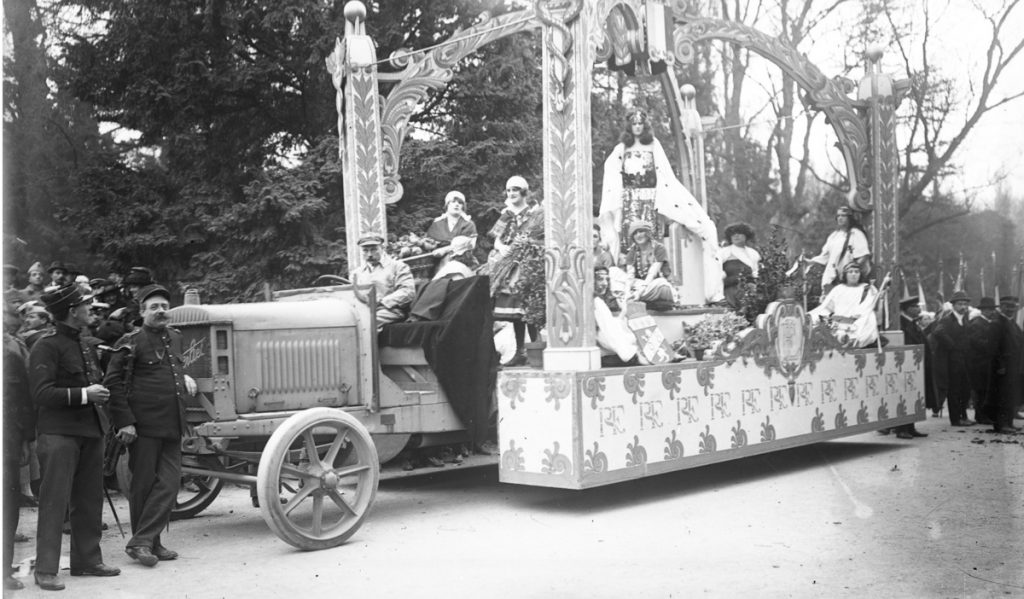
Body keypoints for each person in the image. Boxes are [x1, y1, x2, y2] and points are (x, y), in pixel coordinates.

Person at [29, 284, 120, 591]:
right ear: (71, 311)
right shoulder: (47, 346)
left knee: (88, 499)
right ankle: (45, 570)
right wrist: (85, 394)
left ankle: (87, 561)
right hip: (59, 435)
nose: (90, 310)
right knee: (55, 502)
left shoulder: (82, 343)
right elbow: (41, 393)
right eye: (85, 305)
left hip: (90, 431)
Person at [104, 284, 196, 568]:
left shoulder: (176, 338)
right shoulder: (131, 341)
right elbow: (112, 383)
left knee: (169, 484)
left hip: (172, 423)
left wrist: (185, 378)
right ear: (142, 312)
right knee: (142, 486)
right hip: (142, 427)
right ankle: (149, 542)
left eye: (164, 306)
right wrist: (125, 422)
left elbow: (172, 371)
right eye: (154, 307)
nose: (161, 311)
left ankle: (142, 541)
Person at [598, 109, 723, 303]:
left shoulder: (653, 145)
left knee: (650, 237)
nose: (637, 127)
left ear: (645, 125)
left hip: (650, 198)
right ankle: (631, 284)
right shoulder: (622, 148)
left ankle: (653, 280)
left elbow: (664, 174)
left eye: (640, 123)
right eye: (634, 124)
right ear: (629, 126)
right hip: (630, 199)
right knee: (630, 239)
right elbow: (612, 171)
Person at [487, 176, 544, 366]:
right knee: (514, 312)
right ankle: (519, 350)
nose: (511, 193)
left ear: (524, 193)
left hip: (528, 262)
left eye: (515, 190)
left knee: (529, 307)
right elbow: (497, 237)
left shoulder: (533, 214)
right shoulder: (507, 214)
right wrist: (501, 246)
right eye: (509, 190)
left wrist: (527, 245)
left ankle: (536, 349)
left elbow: (539, 236)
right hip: (509, 265)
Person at [4, 331, 35, 590]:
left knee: (7, 504)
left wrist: (25, 439)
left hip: (8, 439)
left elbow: (23, 400)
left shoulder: (10, 356)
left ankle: (4, 571)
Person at [809, 262, 889, 348]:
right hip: (839, 321)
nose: (853, 274)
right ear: (845, 274)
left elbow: (869, 307)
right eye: (850, 272)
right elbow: (827, 308)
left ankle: (850, 340)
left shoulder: (867, 288)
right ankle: (841, 338)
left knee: (868, 319)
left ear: (860, 274)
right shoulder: (838, 289)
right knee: (816, 320)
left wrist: (880, 298)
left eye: (856, 272)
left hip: (859, 320)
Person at [350, 235, 416, 329]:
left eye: (373, 249)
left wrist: (381, 302)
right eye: (365, 250)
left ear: (382, 248)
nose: (369, 254)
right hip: (363, 310)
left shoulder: (398, 267)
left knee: (366, 322)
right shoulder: (356, 273)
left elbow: (408, 292)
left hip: (389, 310)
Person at [931, 290, 975, 427]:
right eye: (960, 304)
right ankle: (956, 419)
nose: (963, 307)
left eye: (965, 304)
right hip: (952, 362)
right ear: (953, 305)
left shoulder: (965, 319)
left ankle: (964, 416)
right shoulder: (947, 319)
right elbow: (937, 332)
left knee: (965, 390)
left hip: (964, 361)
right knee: (954, 390)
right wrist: (953, 346)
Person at [809, 206, 871, 292]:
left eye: (843, 216)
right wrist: (809, 261)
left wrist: (850, 271)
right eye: (838, 216)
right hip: (831, 278)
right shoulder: (834, 236)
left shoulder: (856, 234)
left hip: (849, 282)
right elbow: (824, 256)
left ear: (850, 218)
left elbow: (863, 256)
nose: (840, 218)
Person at [892, 295, 929, 439]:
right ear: (907, 309)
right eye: (915, 307)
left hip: (915, 365)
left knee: (913, 396)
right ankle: (901, 429)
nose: (919, 309)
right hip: (905, 364)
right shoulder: (902, 323)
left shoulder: (912, 323)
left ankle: (911, 427)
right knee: (903, 396)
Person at [624, 221, 675, 309]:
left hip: (654, 285)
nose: (638, 235)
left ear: (648, 233)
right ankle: (632, 296)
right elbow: (630, 275)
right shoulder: (632, 251)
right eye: (635, 233)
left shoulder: (659, 248)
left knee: (663, 285)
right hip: (639, 285)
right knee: (614, 273)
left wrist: (640, 291)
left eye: (641, 231)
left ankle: (636, 296)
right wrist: (627, 291)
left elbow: (652, 273)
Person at [968, 297, 1002, 426]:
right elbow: (977, 343)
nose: (991, 312)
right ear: (982, 310)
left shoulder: (992, 323)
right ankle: (980, 416)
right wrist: (993, 346)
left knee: (988, 390)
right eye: (988, 310)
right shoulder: (977, 324)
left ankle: (987, 415)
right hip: (980, 362)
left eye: (992, 309)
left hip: (989, 362)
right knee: (981, 390)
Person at [992, 296, 1022, 433]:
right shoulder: (998, 322)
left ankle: (1009, 422)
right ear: (1002, 307)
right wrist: (1000, 365)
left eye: (1013, 307)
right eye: (1008, 306)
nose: (1011, 309)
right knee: (1002, 396)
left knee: (1010, 394)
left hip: (1013, 365)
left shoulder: (1012, 323)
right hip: (1003, 366)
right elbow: (994, 347)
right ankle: (1001, 424)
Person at [424, 191, 478, 259]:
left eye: (460, 203)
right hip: (436, 260)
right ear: (447, 205)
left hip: (461, 259)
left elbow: (469, 245)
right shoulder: (437, 223)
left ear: (463, 207)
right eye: (453, 202)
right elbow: (429, 243)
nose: (457, 204)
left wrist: (445, 250)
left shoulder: (468, 224)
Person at [720, 223, 761, 309]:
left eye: (739, 233)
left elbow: (756, 272)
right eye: (733, 234)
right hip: (729, 290)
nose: (736, 236)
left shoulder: (753, 254)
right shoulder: (723, 252)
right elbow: (717, 272)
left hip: (748, 291)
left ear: (746, 236)